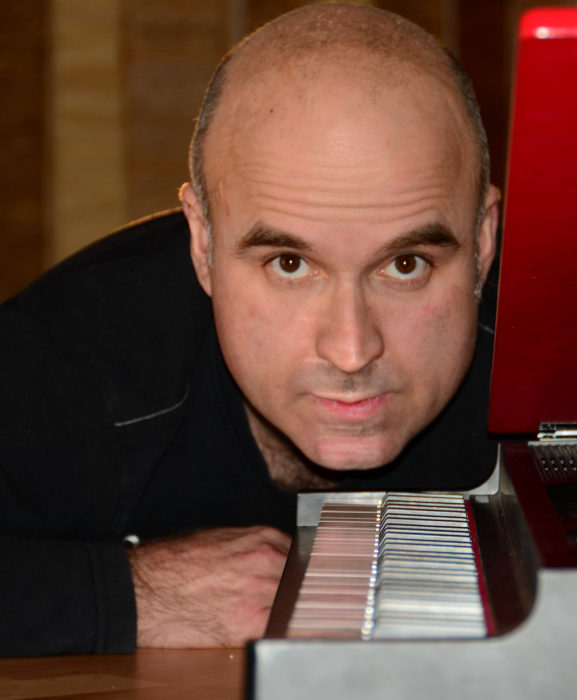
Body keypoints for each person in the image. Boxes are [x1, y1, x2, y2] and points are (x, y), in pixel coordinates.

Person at [0, 2, 500, 655]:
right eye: (289, 264)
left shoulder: (567, 356)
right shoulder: (77, 358)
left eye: (406, 265)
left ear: (484, 243)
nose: (352, 350)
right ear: (203, 246)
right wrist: (137, 594)